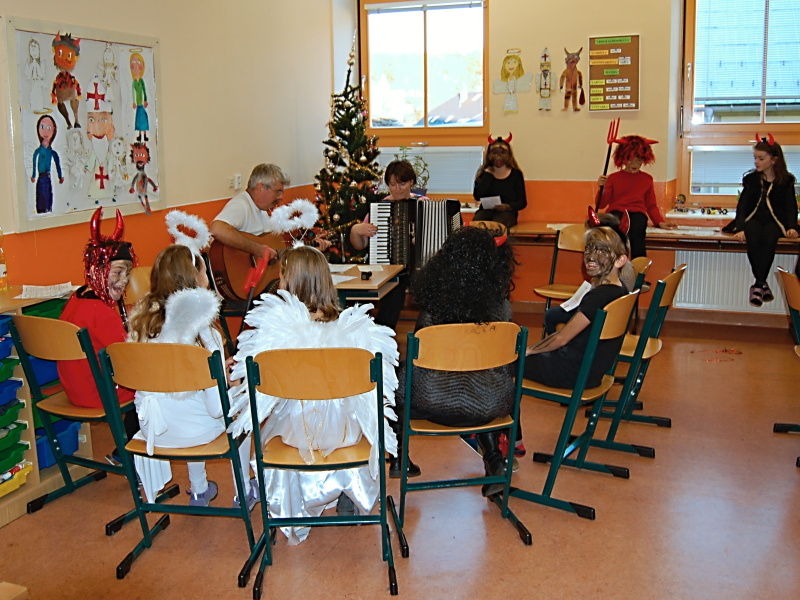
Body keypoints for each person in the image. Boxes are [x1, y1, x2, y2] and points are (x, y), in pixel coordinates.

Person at [226, 245, 399, 544]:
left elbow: (249, 383)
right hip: (344, 435)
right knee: (354, 415)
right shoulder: (354, 332)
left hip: (297, 435)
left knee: (280, 417)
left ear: (290, 283)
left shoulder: (276, 332)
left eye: (282, 276)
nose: (279, 282)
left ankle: (298, 502)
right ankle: (347, 488)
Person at [127, 218, 255, 509]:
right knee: (242, 406)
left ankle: (199, 490)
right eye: (204, 270)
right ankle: (243, 490)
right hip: (194, 432)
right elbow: (217, 408)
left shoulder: (141, 324)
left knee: (189, 401)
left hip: (152, 428)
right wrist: (231, 382)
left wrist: (216, 375)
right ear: (196, 280)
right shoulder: (204, 333)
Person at [395, 226, 519, 495]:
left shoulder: (432, 311)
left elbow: (418, 364)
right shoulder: (501, 309)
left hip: (431, 405)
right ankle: (494, 458)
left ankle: (400, 457)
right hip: (488, 407)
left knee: (395, 373)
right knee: (484, 378)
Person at [58, 208, 138, 441]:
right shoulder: (100, 313)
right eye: (118, 272)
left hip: (75, 388)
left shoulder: (77, 298)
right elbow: (128, 359)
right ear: (97, 270)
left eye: (127, 274)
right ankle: (130, 449)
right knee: (153, 383)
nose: (124, 281)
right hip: (98, 393)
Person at [524, 227, 629, 389]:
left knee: (506, 362)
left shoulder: (597, 297)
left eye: (602, 252)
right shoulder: (622, 290)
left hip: (571, 373)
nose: (591, 257)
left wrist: (528, 350)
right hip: (591, 373)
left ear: (620, 260)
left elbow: (562, 338)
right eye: (588, 249)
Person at [348, 159, 424, 329]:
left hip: (420, 266)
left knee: (431, 290)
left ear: (411, 182)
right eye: (392, 185)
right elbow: (360, 245)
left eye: (402, 184)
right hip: (390, 268)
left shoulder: (424, 204)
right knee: (393, 289)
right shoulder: (379, 209)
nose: (397, 189)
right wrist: (356, 231)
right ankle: (381, 333)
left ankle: (425, 334)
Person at [726, 135, 798, 306]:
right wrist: (740, 228)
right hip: (753, 220)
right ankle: (761, 283)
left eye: (761, 158)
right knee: (753, 234)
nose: (756, 162)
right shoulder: (752, 180)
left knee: (769, 237)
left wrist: (792, 227)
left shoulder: (786, 181)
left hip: (775, 222)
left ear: (774, 160)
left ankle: (758, 284)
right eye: (755, 158)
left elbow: (791, 206)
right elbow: (743, 206)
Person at [210, 163, 330, 263]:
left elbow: (275, 253)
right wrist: (257, 249)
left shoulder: (262, 211)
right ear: (260, 187)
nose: (281, 197)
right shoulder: (241, 205)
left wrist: (310, 248)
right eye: (278, 192)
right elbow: (217, 229)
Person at [543, 208, 636, 335]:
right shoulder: (612, 263)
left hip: (601, 317)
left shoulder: (617, 271)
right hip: (599, 310)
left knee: (552, 316)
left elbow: (602, 303)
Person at [597, 134, 677, 258]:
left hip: (637, 214)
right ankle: (611, 264)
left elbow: (651, 205)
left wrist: (660, 222)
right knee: (613, 235)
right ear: (623, 159)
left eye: (639, 159)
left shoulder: (647, 179)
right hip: (616, 213)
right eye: (631, 159)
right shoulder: (613, 178)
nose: (635, 163)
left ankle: (639, 266)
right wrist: (601, 189)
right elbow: (602, 204)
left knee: (637, 231)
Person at [473, 134, 527, 228]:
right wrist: (488, 175)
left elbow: (522, 202)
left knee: (497, 226)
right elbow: (478, 196)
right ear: (489, 155)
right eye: (494, 153)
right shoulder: (484, 173)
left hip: (507, 213)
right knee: (476, 226)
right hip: (486, 211)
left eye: (502, 153)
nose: (499, 156)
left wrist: (508, 206)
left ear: (508, 155)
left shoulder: (516, 174)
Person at [30, 114, 64, 214]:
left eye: (49, 128)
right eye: (42, 127)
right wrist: (33, 175)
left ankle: (48, 210)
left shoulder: (52, 152)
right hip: (40, 177)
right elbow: (34, 161)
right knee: (41, 196)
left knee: (48, 196)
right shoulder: (38, 151)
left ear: (54, 130)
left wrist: (60, 176)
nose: (45, 131)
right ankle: (41, 210)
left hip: (47, 177)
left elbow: (57, 164)